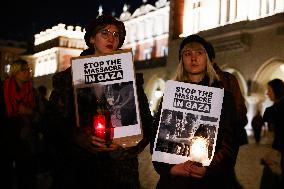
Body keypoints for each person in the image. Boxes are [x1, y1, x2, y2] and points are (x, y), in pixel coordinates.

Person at [45, 14, 153, 189]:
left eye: (116, 35)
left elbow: (147, 122)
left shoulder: (130, 77)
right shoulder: (69, 78)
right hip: (80, 172)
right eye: (105, 33)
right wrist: (77, 137)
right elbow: (51, 121)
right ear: (92, 39)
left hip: (121, 174)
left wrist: (128, 145)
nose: (111, 38)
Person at [151, 34, 239, 189]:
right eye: (187, 54)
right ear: (181, 61)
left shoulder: (224, 98)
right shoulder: (170, 96)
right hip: (175, 181)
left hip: (210, 182)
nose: (193, 58)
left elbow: (230, 142)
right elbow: (157, 137)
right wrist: (169, 169)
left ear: (208, 59)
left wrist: (208, 170)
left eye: (199, 53)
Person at [0, 59, 38, 189]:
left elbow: (38, 114)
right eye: (24, 70)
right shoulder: (3, 87)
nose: (27, 72)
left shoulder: (32, 90)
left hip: (25, 137)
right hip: (6, 137)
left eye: (28, 70)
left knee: (25, 174)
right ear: (16, 72)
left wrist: (30, 112)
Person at [263, 78, 284, 186]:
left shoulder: (272, 111)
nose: (267, 93)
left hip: (276, 155)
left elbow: (271, 136)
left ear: (277, 91)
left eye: (269, 90)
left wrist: (270, 155)